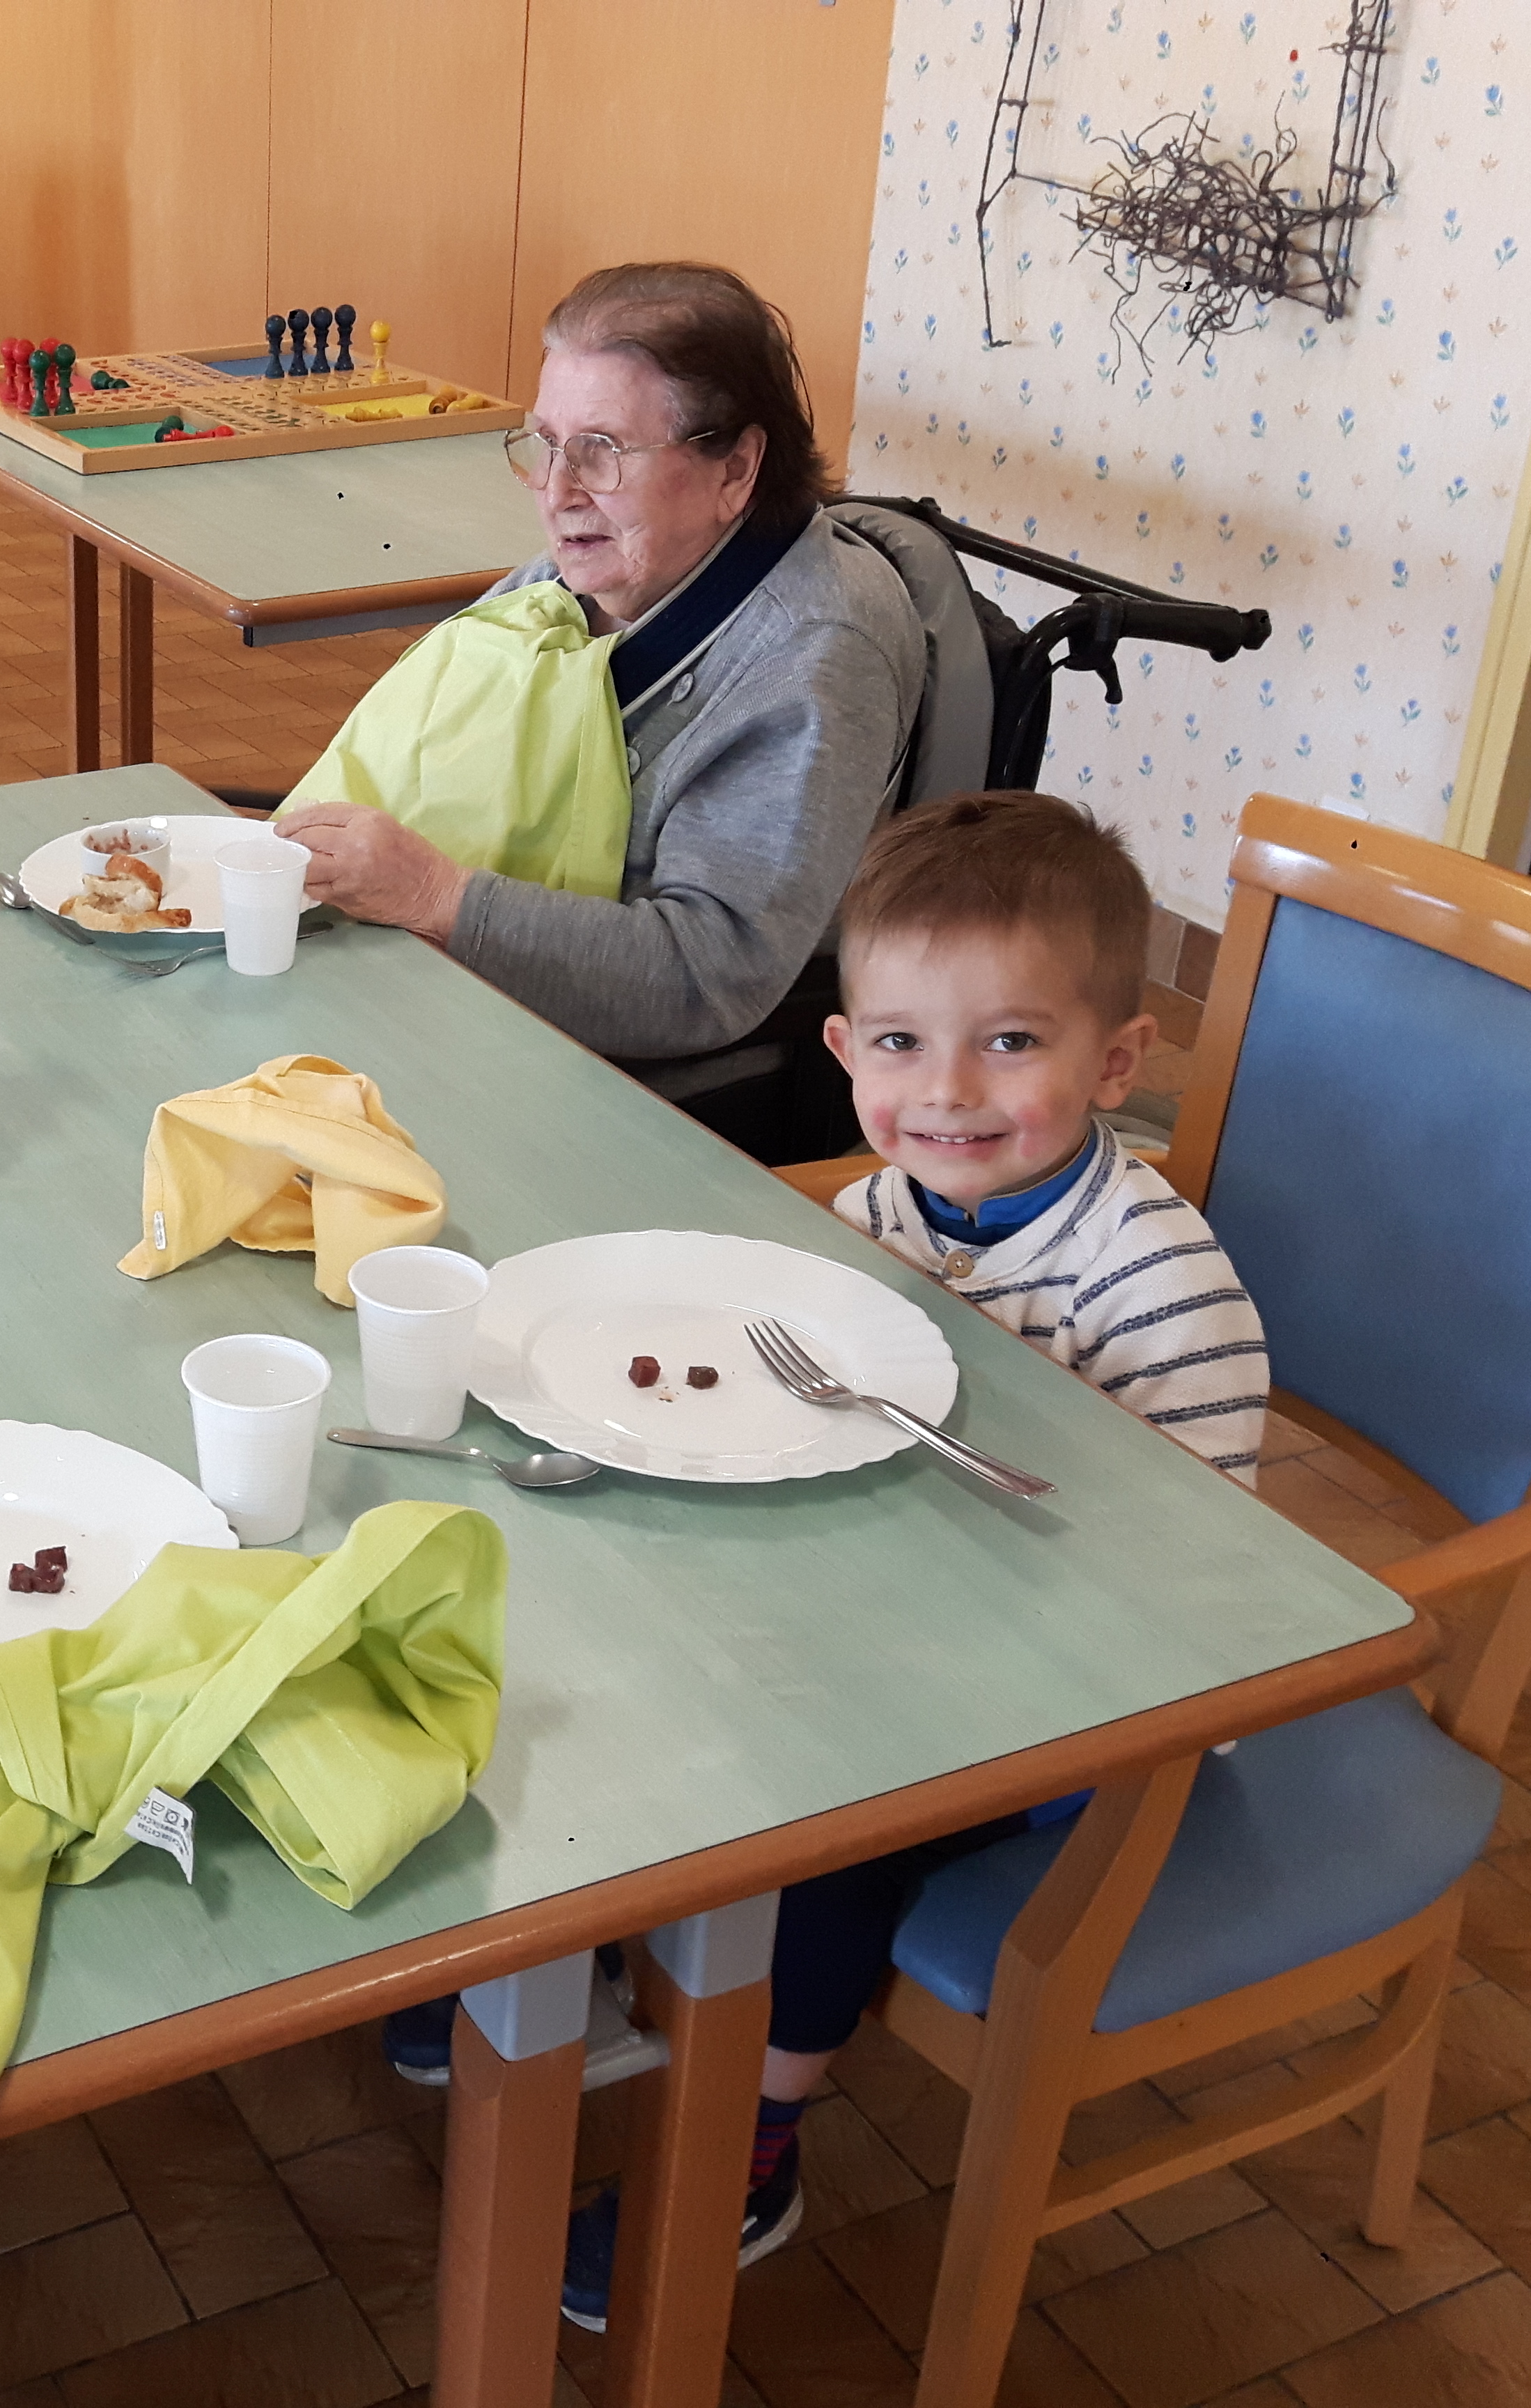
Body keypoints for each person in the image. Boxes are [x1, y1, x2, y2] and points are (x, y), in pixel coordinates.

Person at [384, 796, 1271, 2327]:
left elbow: (1203, 1586)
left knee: (824, 1830)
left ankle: (748, 2142)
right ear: (849, 1051)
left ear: (1117, 1062)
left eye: (1011, 1043)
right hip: (902, 1606)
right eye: (904, 1045)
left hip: (1093, 1703)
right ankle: (566, 1966)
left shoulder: (1159, 1287)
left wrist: (1024, 1436)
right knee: (617, 1648)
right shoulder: (876, 1210)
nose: (949, 1093)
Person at [274, 262, 926, 1070]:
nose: (557, 491)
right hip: (427, 975)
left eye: (602, 451)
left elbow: (706, 976)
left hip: (585, 1060)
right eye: (546, 445)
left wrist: (437, 896)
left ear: (735, 469)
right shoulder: (582, 580)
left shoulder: (813, 658)